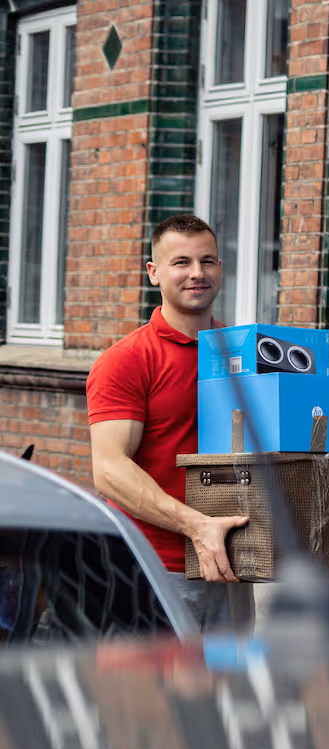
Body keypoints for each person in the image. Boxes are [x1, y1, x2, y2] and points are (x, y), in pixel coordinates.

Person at [87, 214, 252, 630]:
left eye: (208, 261)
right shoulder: (126, 360)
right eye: (181, 262)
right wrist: (197, 527)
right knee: (150, 693)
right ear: (154, 273)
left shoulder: (246, 353)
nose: (197, 273)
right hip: (153, 567)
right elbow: (109, 471)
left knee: (228, 692)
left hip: (234, 564)